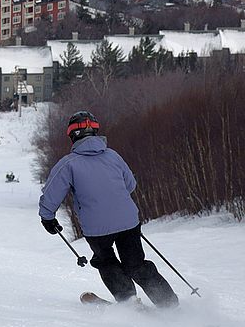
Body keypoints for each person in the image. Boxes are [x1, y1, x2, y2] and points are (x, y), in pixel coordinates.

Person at [39, 111, 178, 308]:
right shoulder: (113, 155)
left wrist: (48, 218)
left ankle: (129, 301)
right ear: (96, 132)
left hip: (96, 228)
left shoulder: (68, 164)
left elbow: (51, 194)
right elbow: (130, 184)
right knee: (136, 264)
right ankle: (169, 304)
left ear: (71, 135)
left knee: (106, 261)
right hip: (128, 222)